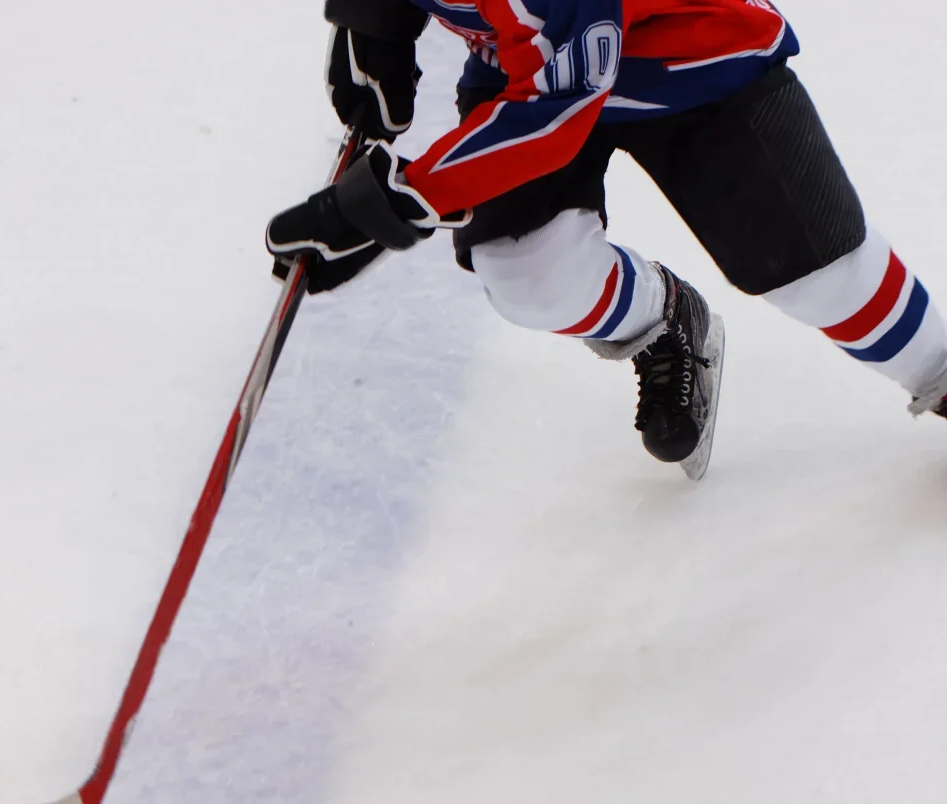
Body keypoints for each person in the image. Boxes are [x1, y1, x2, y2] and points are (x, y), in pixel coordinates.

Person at [266, 0, 947, 472]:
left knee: (824, 278)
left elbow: (552, 111)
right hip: (525, 63)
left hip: (694, 56)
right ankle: (665, 319)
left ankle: (941, 374)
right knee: (530, 276)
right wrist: (375, 24)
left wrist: (398, 202)